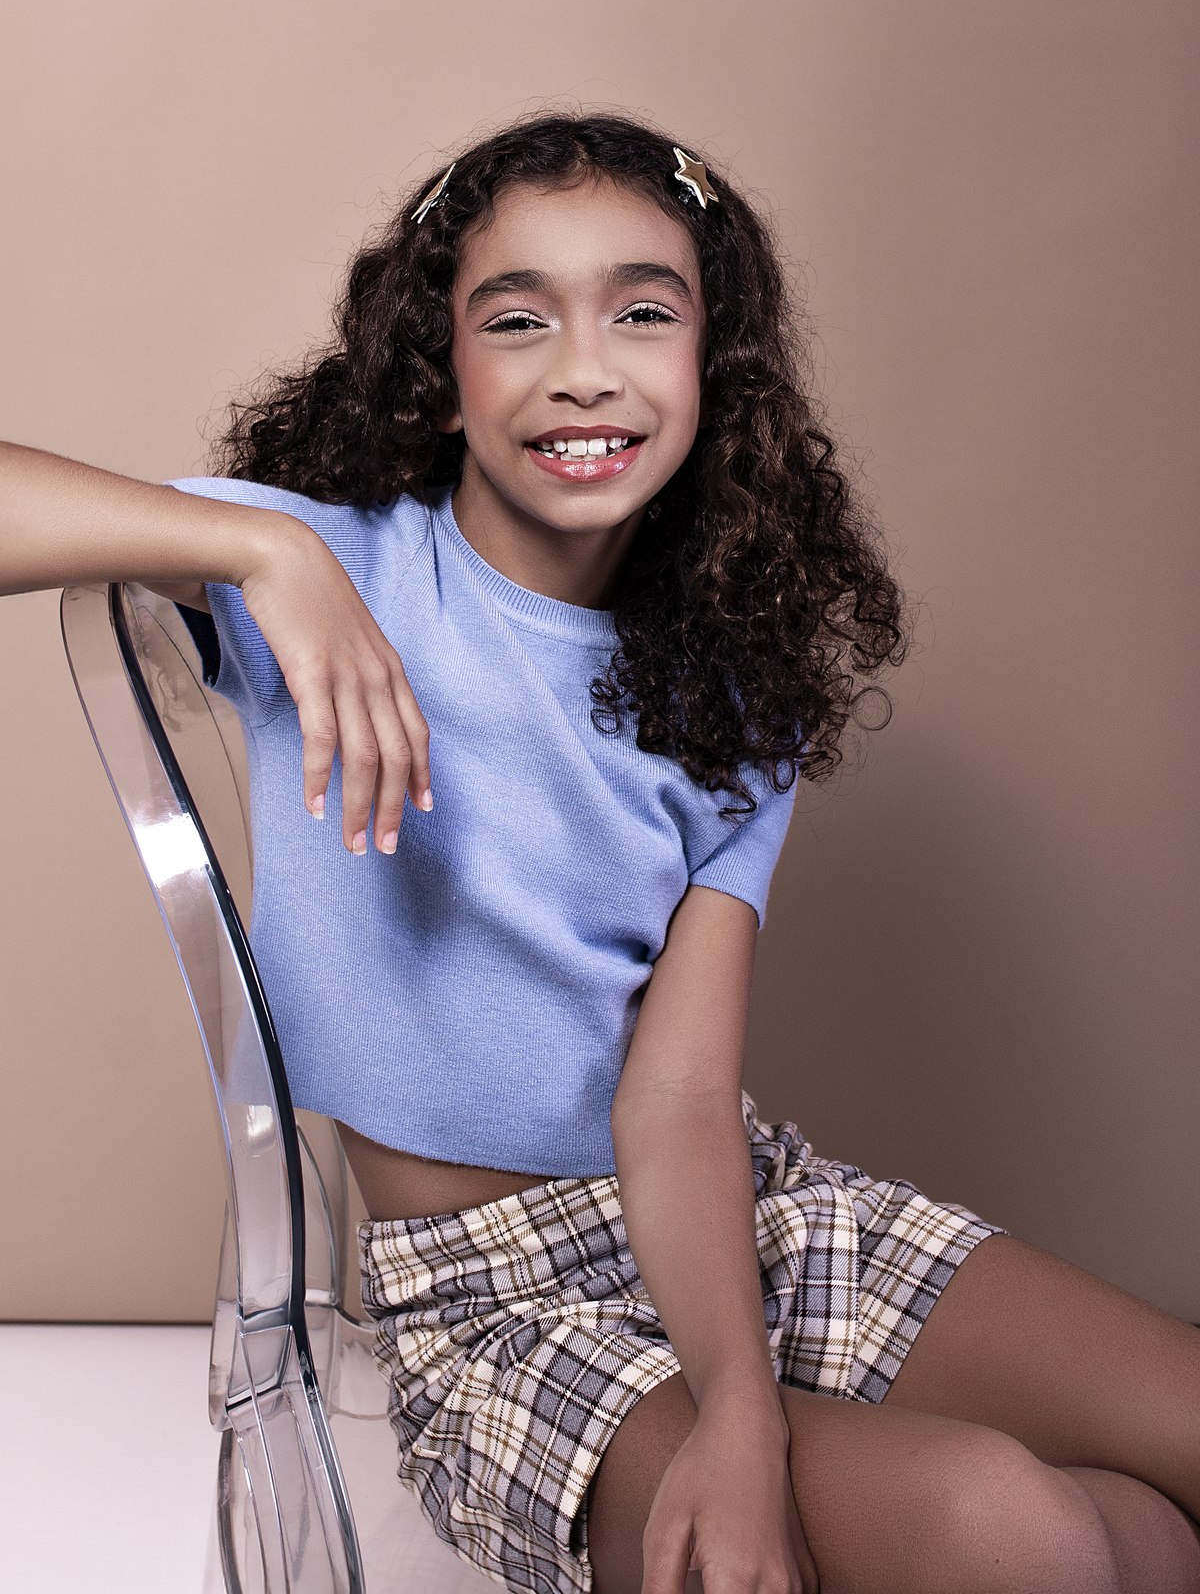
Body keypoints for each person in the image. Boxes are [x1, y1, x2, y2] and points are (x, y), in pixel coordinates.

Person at [4, 113, 1198, 1594]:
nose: (585, 368)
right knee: (1021, 1532)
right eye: (519, 320)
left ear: (714, 366)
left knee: (1154, 1505)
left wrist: (742, 1413)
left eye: (644, 312)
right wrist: (265, 549)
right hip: (493, 1304)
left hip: (737, 1214)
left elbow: (680, 1099)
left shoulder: (731, 690)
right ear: (439, 375)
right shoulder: (344, 574)